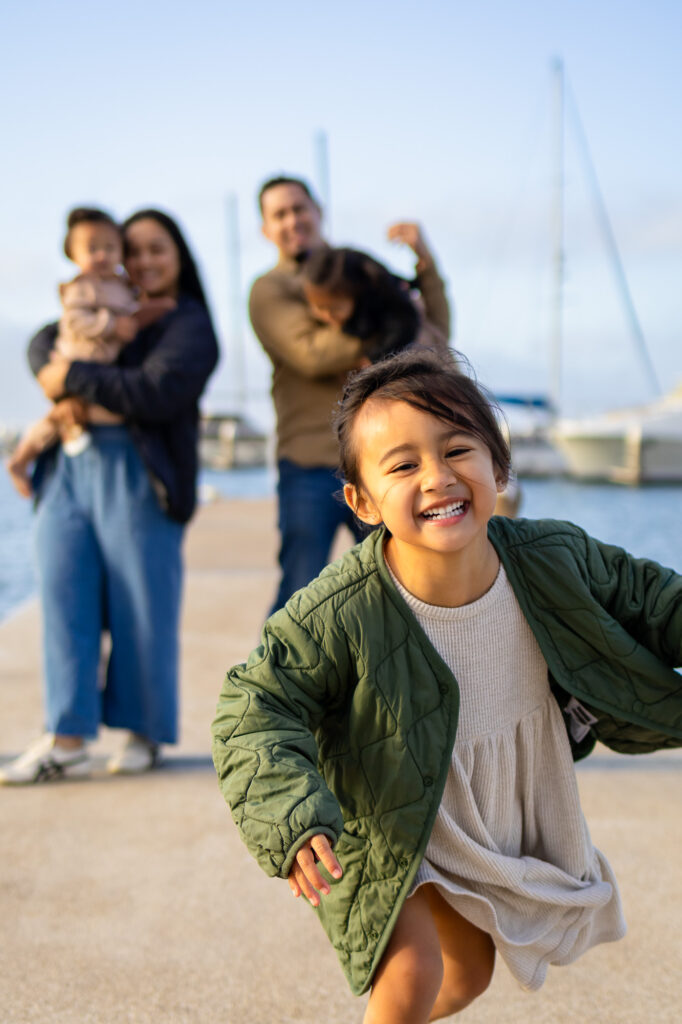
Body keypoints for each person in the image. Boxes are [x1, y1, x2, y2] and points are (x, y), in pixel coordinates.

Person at [212, 348, 682, 1023]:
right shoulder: (339, 611)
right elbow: (252, 707)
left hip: (483, 813)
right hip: (389, 814)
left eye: (458, 450)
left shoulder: (553, 557)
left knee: (468, 974)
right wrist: (289, 817)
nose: (437, 477)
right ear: (362, 502)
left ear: (500, 465)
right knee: (413, 970)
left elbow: (655, 601)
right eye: (403, 465)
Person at [0, 209, 219, 785]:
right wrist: (61, 365)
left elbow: (153, 393)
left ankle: (143, 733)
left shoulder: (188, 324)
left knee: (142, 604)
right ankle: (65, 738)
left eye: (157, 250)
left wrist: (67, 374)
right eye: (134, 250)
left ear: (179, 257)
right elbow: (43, 341)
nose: (143, 261)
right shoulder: (101, 300)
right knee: (61, 594)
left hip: (138, 468)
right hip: (67, 467)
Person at [249, 175, 451, 612]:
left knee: (404, 589)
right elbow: (310, 354)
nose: (292, 220)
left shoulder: (356, 270)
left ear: (318, 212)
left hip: (382, 463)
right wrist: (396, 331)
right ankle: (277, 681)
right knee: (300, 597)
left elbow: (435, 332)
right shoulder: (270, 289)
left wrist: (425, 265)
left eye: (299, 208)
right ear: (265, 229)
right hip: (310, 464)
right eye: (278, 214)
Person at [6, 206, 169, 497]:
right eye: (92, 248)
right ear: (73, 255)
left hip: (99, 368)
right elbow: (74, 319)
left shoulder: (121, 287)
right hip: (78, 360)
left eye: (110, 247)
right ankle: (21, 459)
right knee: (55, 418)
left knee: (68, 418)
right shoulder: (81, 287)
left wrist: (155, 310)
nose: (102, 255)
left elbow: (132, 316)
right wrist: (109, 325)